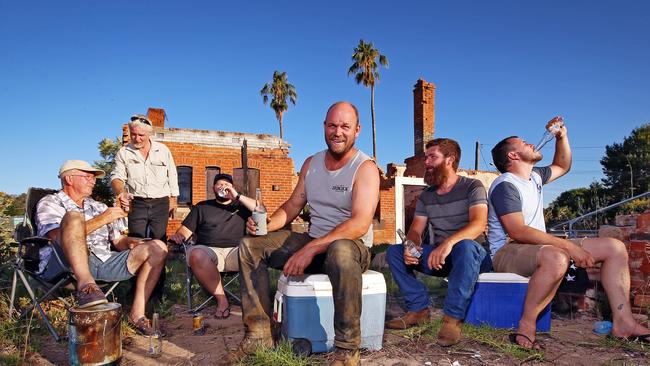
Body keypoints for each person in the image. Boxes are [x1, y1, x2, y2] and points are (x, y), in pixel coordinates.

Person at [227, 102, 379, 366]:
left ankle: (346, 350)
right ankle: (258, 335)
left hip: (352, 249)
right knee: (250, 245)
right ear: (324, 127)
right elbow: (291, 207)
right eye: (332, 125)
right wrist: (265, 225)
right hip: (315, 239)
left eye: (345, 126)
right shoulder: (312, 164)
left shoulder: (364, 168)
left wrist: (310, 249)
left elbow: (359, 224)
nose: (338, 132)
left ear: (357, 130)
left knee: (341, 250)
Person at [488, 117, 650, 349]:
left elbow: (563, 165)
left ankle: (624, 323)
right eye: (523, 143)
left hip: (536, 247)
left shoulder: (534, 177)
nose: (531, 144)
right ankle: (526, 325)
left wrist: (562, 136)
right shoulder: (506, 184)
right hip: (506, 251)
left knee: (614, 248)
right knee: (558, 255)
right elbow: (518, 231)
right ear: (512, 156)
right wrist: (571, 246)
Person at [36, 160, 168, 335]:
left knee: (157, 247)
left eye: (93, 178)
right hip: (64, 264)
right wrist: (103, 219)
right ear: (69, 179)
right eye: (88, 177)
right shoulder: (50, 202)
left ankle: (137, 314)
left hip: (104, 260)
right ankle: (87, 286)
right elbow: (56, 238)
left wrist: (131, 243)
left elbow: (118, 241)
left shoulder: (99, 206)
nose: (93, 181)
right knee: (73, 218)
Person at [385, 138, 492, 346]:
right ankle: (418, 310)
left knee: (465, 246)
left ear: (450, 160)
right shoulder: (427, 195)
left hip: (473, 257)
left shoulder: (472, 186)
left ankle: (452, 318)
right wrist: (411, 245)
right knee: (394, 252)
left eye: (432, 157)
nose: (427, 162)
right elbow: (415, 230)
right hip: (441, 258)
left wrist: (447, 244)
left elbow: (479, 225)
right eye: (426, 157)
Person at [169, 173, 258, 318]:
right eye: (219, 184)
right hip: (209, 252)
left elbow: (260, 209)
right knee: (196, 253)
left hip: (236, 252)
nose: (223, 186)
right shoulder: (202, 207)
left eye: (226, 184)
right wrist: (178, 237)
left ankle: (256, 302)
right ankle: (222, 300)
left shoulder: (242, 206)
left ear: (232, 187)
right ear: (213, 188)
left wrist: (237, 195)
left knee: (254, 250)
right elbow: (184, 232)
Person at [111, 114, 179, 240]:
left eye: (141, 135)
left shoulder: (163, 150)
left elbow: (172, 174)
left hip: (161, 202)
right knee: (136, 240)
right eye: (133, 134)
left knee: (159, 240)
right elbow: (117, 177)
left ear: (149, 134)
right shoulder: (123, 153)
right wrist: (121, 192)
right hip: (136, 203)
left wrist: (173, 200)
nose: (136, 138)